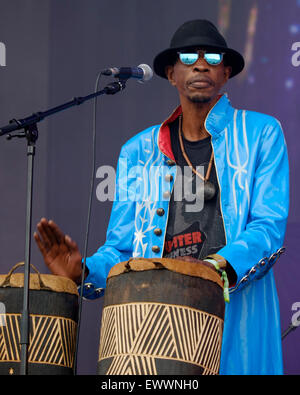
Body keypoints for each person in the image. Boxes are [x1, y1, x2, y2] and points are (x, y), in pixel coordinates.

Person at [34, 20, 289, 374]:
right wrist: (84, 272)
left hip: (234, 319)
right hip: (155, 328)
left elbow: (267, 229)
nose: (201, 64)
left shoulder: (261, 133)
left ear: (226, 72)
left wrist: (215, 268)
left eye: (212, 57)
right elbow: (124, 251)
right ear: (171, 74)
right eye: (188, 56)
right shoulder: (138, 151)